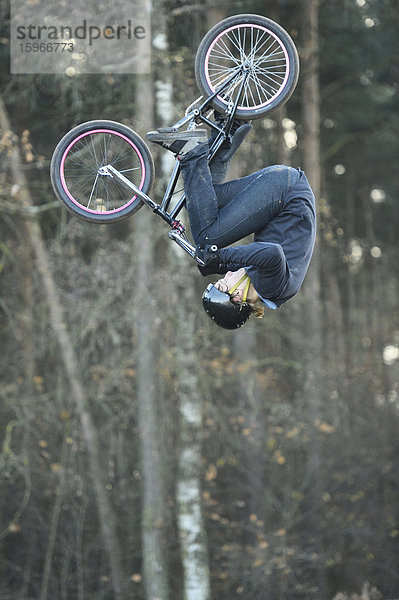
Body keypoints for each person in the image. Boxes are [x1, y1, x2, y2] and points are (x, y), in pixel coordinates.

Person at [147, 117, 316, 329]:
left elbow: (251, 260)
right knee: (206, 238)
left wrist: (216, 264)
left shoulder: (260, 285)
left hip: (285, 189)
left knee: (204, 199)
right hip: (284, 192)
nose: (226, 275)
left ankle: (226, 131)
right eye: (224, 282)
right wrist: (219, 257)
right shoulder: (271, 288)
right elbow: (272, 254)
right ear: (236, 297)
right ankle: (191, 151)